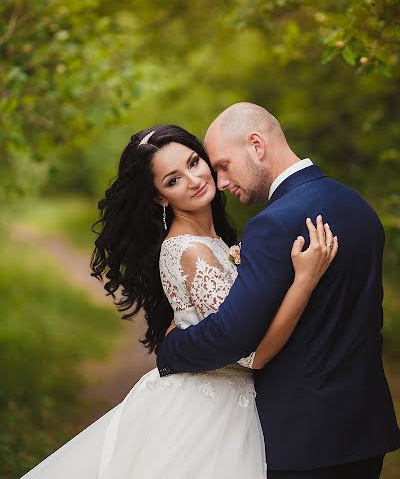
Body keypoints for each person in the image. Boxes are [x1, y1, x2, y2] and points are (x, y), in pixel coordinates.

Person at [20, 124, 337, 479]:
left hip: (232, 401)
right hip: (209, 410)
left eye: (194, 162)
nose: (193, 179)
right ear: (159, 198)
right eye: (172, 180)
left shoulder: (214, 241)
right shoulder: (188, 250)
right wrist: (304, 281)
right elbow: (253, 355)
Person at [157, 104, 400, 479]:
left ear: (256, 145)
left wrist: (172, 348)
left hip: (305, 440)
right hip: (365, 430)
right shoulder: (357, 207)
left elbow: (233, 337)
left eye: (223, 165)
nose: (220, 182)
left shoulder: (273, 225)